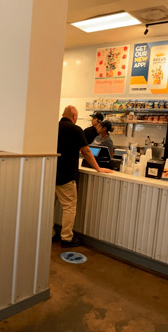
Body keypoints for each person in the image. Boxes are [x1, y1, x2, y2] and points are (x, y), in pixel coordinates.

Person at [56, 106, 112, 248]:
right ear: (74, 115)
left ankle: (49, 232)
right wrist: (98, 168)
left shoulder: (54, 127)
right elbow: (86, 151)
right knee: (69, 207)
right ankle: (66, 238)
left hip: (51, 173)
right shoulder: (76, 130)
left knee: (49, 205)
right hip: (66, 175)